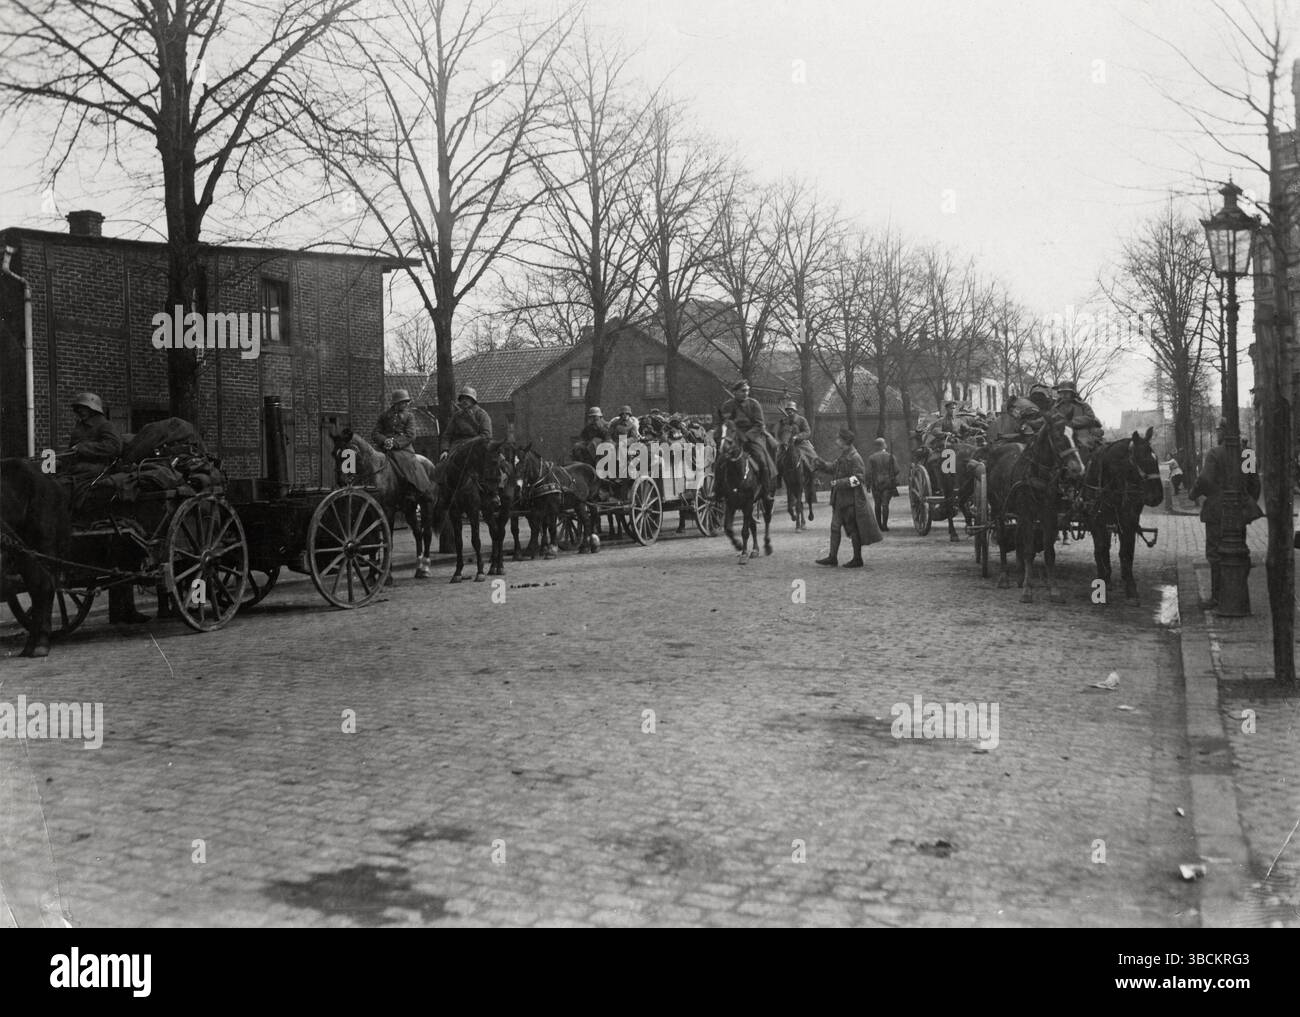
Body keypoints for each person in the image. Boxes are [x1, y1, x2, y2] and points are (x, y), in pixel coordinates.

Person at [64, 393, 148, 623]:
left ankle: (81, 517)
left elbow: (114, 447)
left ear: (93, 409)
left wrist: (85, 448)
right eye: (78, 408)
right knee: (60, 483)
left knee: (78, 489)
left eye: (83, 408)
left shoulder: (105, 425)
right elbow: (73, 449)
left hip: (97, 470)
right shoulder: (78, 428)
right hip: (78, 470)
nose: (79, 412)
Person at [1188, 419, 1263, 609]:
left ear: (1225, 432)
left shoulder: (1215, 453)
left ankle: (1217, 597)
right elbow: (1255, 483)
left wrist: (1195, 494)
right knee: (1240, 550)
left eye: (1219, 430)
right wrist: (1246, 502)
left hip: (1216, 511)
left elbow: (1205, 479)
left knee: (1215, 553)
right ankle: (1237, 594)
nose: (1217, 432)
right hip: (1239, 510)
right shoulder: (1247, 455)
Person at [812, 428, 876, 568]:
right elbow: (833, 468)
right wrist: (822, 464)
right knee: (835, 528)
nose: (836, 441)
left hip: (850, 501)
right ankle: (832, 557)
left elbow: (859, 479)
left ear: (845, 441)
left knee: (853, 530)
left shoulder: (855, 457)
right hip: (839, 500)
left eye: (838, 439)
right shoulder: (844, 455)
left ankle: (857, 559)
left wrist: (839, 483)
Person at [714, 379, 778, 498]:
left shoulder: (754, 404)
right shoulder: (727, 406)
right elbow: (722, 423)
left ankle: (766, 490)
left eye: (747, 391)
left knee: (761, 460)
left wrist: (747, 437)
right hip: (732, 437)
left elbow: (759, 424)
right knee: (720, 461)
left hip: (752, 437)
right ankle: (717, 490)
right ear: (735, 392)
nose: (746, 393)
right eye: (743, 391)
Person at [372, 389, 434, 496]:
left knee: (408, 465)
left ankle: (412, 490)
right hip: (383, 447)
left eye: (406, 402)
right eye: (403, 402)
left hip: (402, 449)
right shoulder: (384, 416)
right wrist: (384, 440)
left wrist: (394, 443)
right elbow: (375, 433)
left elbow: (410, 435)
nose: (406, 404)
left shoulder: (409, 416)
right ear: (396, 403)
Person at [439, 385, 493, 458]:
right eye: (462, 398)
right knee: (443, 466)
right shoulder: (456, 416)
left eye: (468, 398)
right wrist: (445, 450)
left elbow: (486, 435)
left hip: (478, 446)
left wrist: (470, 442)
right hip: (458, 447)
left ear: (473, 400)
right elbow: (447, 435)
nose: (464, 401)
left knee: (497, 461)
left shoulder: (482, 414)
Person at [865, 437, 899, 531]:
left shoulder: (871, 458)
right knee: (885, 505)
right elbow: (897, 470)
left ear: (876, 447)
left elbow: (868, 473)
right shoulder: (891, 456)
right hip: (888, 484)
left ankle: (879, 526)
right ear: (884, 445)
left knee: (877, 504)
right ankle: (885, 525)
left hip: (876, 484)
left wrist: (868, 485)